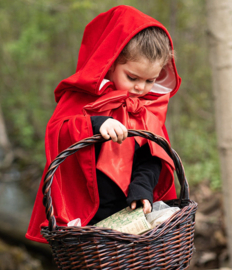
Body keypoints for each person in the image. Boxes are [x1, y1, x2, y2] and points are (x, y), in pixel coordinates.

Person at [26, 5, 182, 243]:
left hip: (131, 217)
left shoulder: (146, 108)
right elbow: (58, 132)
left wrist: (142, 191)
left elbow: (152, 158)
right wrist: (95, 124)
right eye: (132, 77)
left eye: (151, 80)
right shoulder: (83, 97)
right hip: (88, 219)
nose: (141, 88)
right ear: (110, 63)